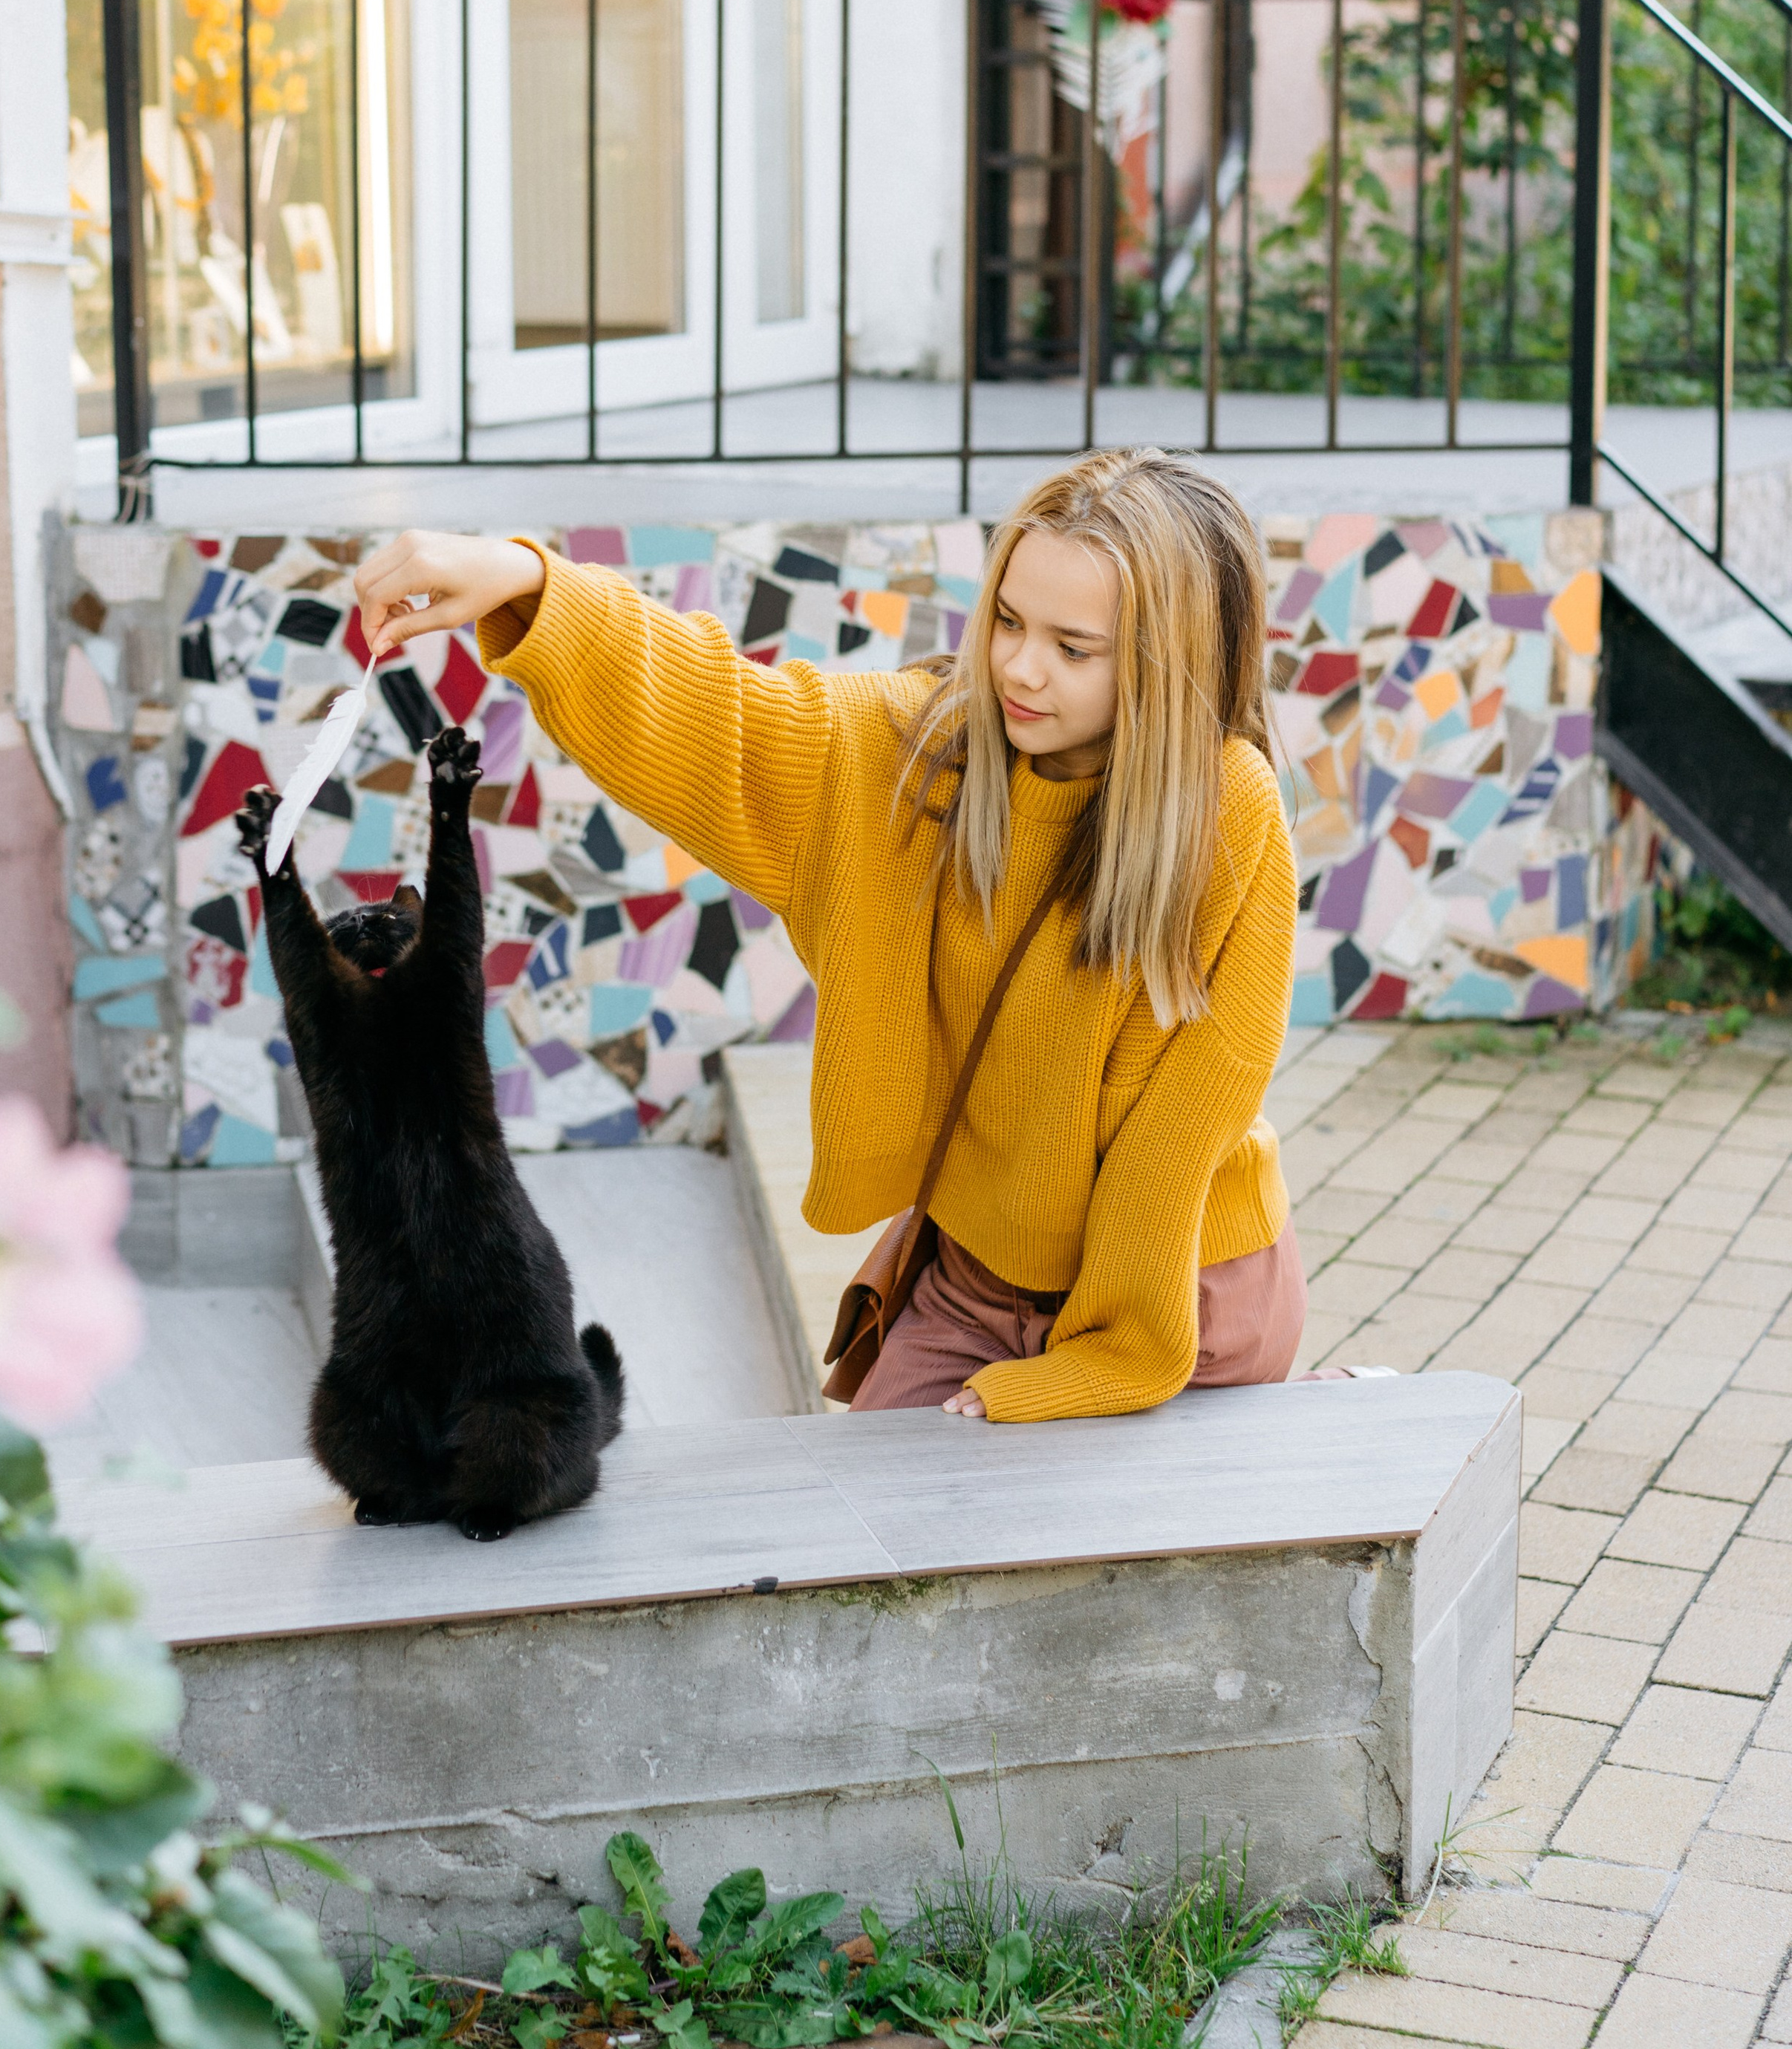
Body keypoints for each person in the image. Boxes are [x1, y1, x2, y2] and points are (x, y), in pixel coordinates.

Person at [353, 450, 1307, 1422]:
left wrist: (1109, 1361)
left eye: (1074, 647)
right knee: (868, 1531)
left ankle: (1334, 1410)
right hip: (978, 1285)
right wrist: (533, 586)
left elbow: (1194, 1111)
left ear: (1167, 659)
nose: (1020, 667)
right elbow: (727, 716)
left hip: (1184, 1289)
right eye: (1009, 623)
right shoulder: (929, 754)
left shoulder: (1226, 810)